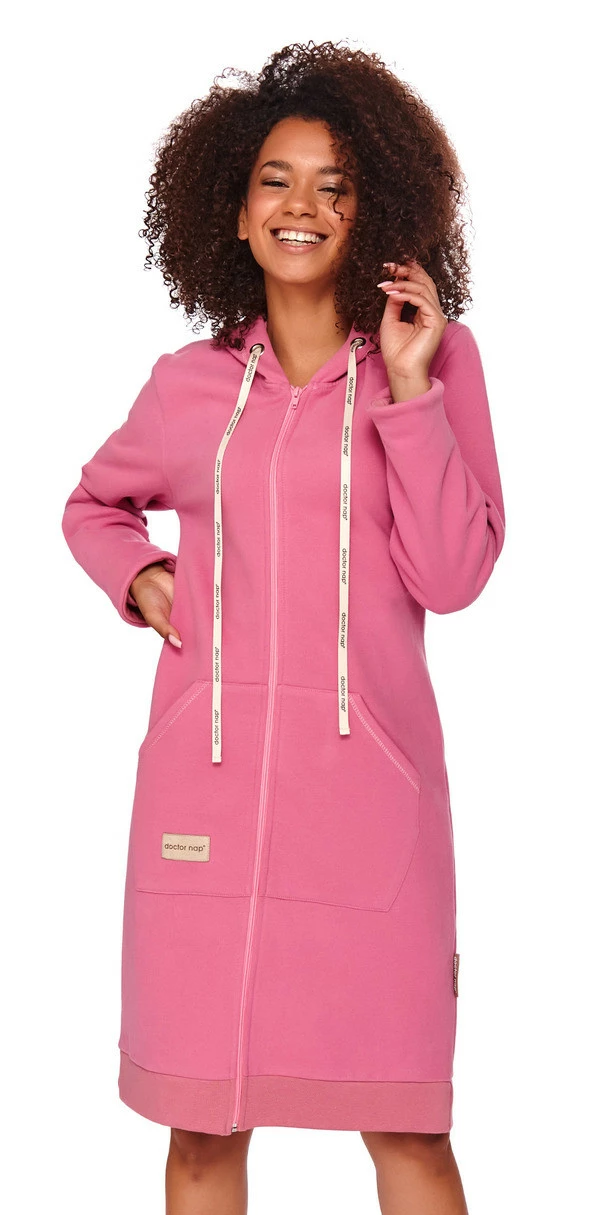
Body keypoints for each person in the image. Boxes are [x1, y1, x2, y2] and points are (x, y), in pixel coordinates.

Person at [61, 40, 505, 1215]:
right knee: (201, 1136)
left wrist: (408, 390)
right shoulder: (187, 386)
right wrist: (141, 578)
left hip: (372, 819)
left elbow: (453, 575)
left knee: (408, 1133)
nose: (299, 206)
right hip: (202, 817)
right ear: (235, 207)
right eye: (274, 180)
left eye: (333, 185)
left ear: (374, 212)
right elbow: (92, 505)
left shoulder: (433, 362)